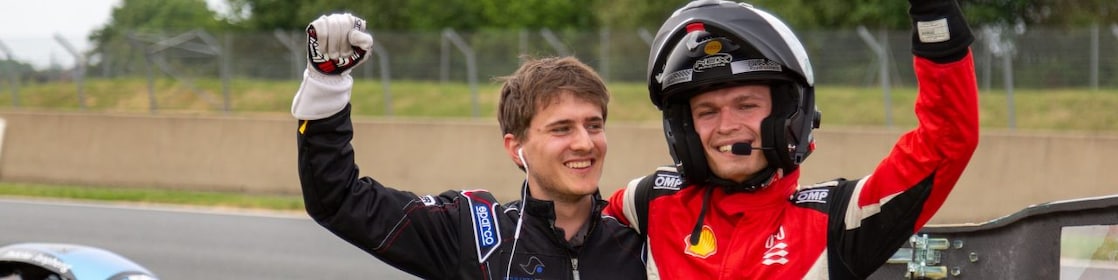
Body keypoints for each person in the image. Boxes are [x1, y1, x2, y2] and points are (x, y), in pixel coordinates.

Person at [604, 0, 979, 278]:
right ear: (683, 130)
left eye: (746, 105)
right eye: (707, 112)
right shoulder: (651, 201)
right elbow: (563, 227)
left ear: (788, 114)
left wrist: (934, 14)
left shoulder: (837, 218)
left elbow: (947, 141)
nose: (726, 125)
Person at [291, 13, 646, 279]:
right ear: (515, 147)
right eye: (562, 129)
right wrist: (327, 85)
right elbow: (337, 200)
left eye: (594, 125)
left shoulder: (643, 239)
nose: (584, 143)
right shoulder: (474, 233)